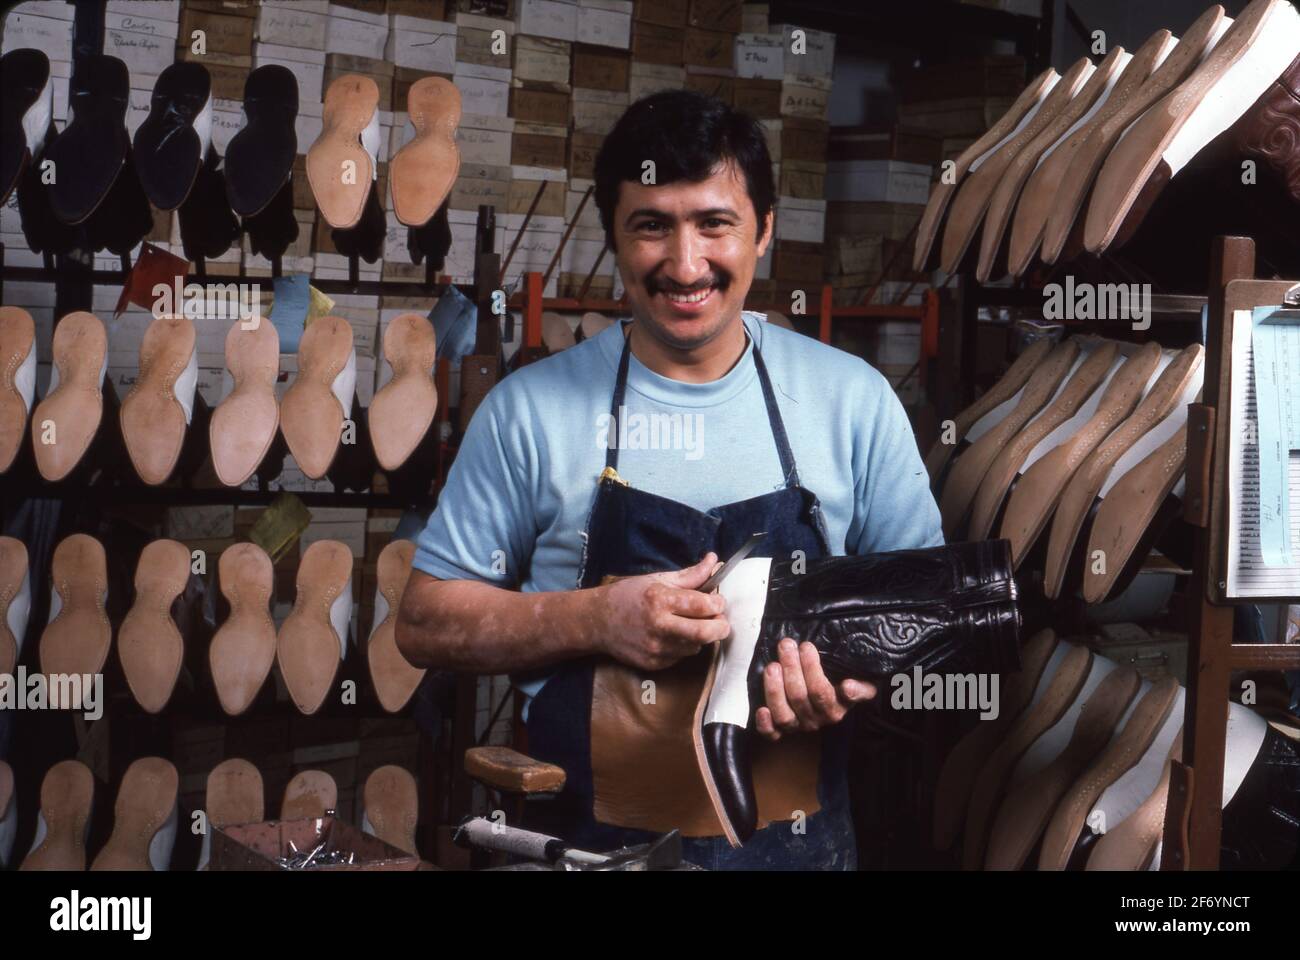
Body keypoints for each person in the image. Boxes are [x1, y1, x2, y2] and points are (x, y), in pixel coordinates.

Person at [396, 90, 943, 869]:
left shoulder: (850, 401)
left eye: (714, 223)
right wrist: (593, 619)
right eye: (652, 225)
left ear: (764, 230)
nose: (686, 267)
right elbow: (422, 625)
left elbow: (920, 614)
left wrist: (852, 677)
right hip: (587, 854)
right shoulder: (531, 411)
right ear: (614, 237)